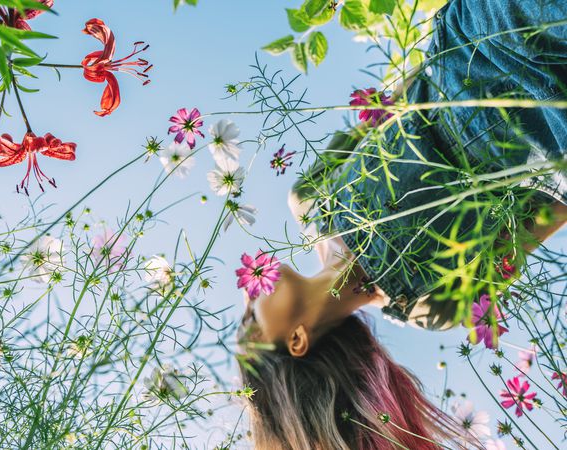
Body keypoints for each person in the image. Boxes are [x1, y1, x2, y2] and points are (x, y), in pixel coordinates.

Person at [236, 0, 567, 448]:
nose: (247, 293)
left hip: (479, 38)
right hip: (550, 123)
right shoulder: (429, 309)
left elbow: (389, 98)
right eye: (251, 320)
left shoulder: (311, 201)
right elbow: (539, 220)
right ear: (296, 340)